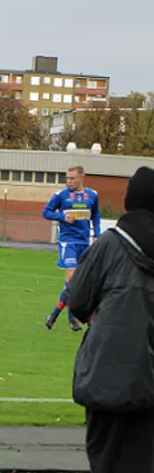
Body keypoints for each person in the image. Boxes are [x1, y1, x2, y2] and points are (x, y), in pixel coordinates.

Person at [66, 166, 154, 473]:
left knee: (105, 459)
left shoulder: (109, 244)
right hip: (148, 379)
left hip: (106, 373)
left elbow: (76, 300)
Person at [42, 165, 101, 332]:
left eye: (72, 178)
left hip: (84, 243)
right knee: (73, 280)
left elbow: (96, 215)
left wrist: (96, 234)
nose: (69, 181)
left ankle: (54, 315)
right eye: (67, 178)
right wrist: (61, 216)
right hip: (67, 243)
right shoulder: (61, 195)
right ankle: (71, 318)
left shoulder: (92, 195)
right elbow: (45, 212)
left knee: (78, 282)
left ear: (82, 178)